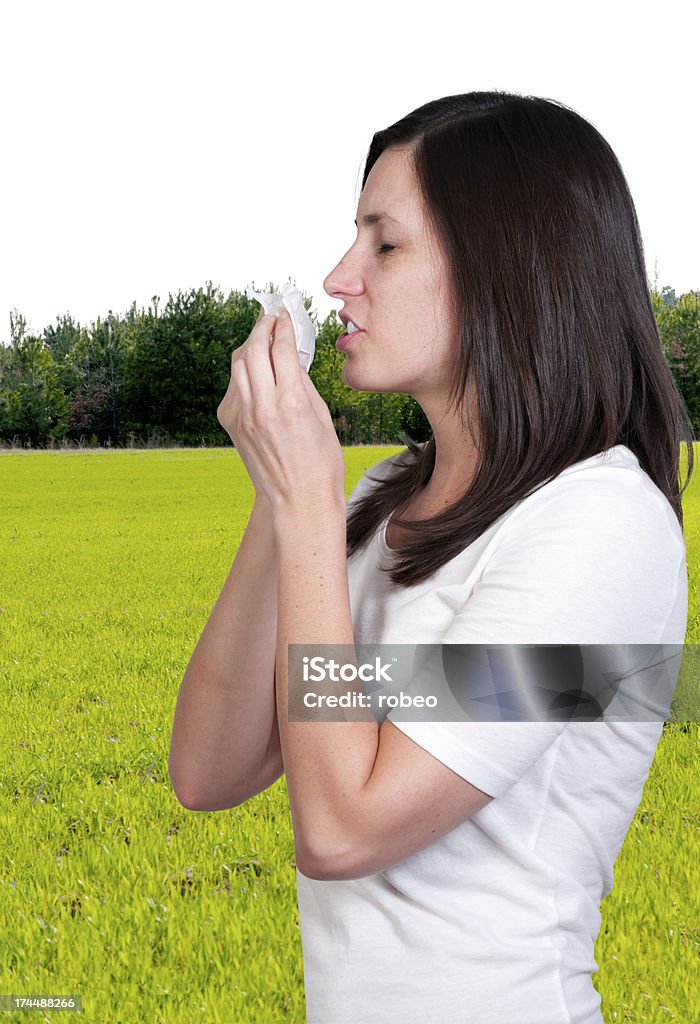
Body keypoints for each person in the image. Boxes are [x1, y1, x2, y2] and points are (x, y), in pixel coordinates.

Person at [168, 90, 694, 1024]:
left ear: (505, 268)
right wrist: (282, 495)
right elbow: (208, 772)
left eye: (384, 242)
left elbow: (343, 827)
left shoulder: (604, 527)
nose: (338, 278)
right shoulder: (380, 500)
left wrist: (306, 508)